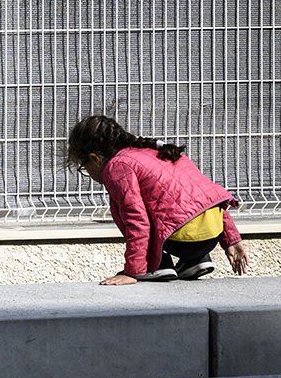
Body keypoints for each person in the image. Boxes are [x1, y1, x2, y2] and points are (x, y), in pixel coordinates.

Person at [66, 115, 250, 284]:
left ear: (95, 159)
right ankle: (196, 261)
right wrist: (231, 240)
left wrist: (133, 272)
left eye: (84, 167)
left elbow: (137, 220)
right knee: (169, 200)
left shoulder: (117, 167)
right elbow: (204, 196)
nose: (88, 173)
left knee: (128, 209)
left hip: (182, 241)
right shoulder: (156, 151)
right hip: (212, 234)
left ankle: (156, 265)